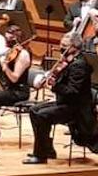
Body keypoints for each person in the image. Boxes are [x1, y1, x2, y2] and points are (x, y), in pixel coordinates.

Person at [26, 34, 97, 164]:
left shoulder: (79, 65)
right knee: (33, 110)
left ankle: (40, 155)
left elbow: (72, 92)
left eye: (64, 47)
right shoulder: (70, 62)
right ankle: (46, 149)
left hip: (75, 108)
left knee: (42, 116)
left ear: (74, 47)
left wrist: (55, 85)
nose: (60, 48)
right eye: (61, 45)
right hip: (65, 103)